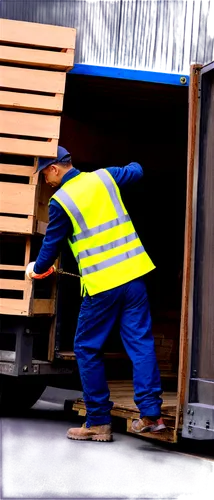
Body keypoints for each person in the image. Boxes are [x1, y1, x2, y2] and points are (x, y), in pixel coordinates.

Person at [26, 146, 166, 442]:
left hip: (103, 285)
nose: (44, 180)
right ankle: (151, 415)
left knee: (87, 348)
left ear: (54, 168)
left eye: (44, 174)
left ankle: (98, 422)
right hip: (135, 277)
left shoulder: (61, 201)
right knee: (140, 343)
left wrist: (36, 269)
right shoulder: (105, 178)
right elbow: (137, 170)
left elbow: (51, 246)